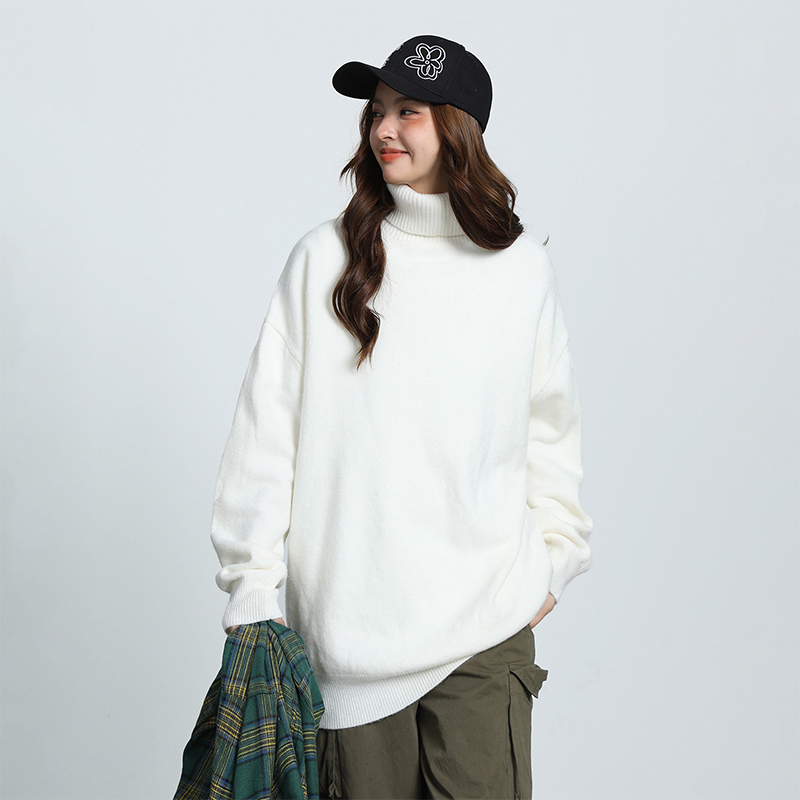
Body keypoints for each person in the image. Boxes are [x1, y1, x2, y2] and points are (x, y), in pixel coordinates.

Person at [210, 35, 593, 800]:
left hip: (485, 632)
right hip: (350, 649)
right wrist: (252, 587)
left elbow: (549, 427)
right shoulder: (323, 260)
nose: (383, 128)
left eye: (408, 111)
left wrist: (557, 554)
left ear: (458, 127)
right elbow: (266, 436)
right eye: (376, 111)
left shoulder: (520, 269)